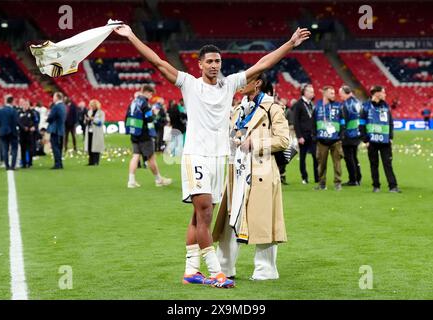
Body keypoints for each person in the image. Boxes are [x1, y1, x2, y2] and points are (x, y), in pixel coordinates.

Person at [114, 23, 310, 288]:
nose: (215, 65)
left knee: (199, 216)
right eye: (210, 61)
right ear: (200, 65)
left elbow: (262, 64)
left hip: (221, 160)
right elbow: (158, 62)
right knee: (205, 211)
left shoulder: (229, 85)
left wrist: (290, 44)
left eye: (218, 61)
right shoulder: (189, 84)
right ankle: (216, 272)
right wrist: (131, 36)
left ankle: (191, 270)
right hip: (196, 156)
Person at [213, 73, 289, 280]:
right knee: (230, 215)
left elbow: (283, 140)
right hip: (235, 168)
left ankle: (266, 269)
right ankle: (224, 266)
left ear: (257, 84)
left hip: (261, 169)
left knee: (262, 218)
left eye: (245, 80)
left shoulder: (273, 108)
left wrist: (256, 144)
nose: (239, 84)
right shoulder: (237, 110)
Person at [125, 85, 172, 188]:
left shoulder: (133, 102)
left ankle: (131, 181)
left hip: (134, 133)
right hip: (144, 134)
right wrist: (154, 115)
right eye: (151, 94)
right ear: (146, 92)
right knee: (151, 157)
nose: (151, 96)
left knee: (135, 156)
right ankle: (158, 180)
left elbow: (127, 116)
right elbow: (149, 119)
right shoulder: (145, 103)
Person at [361, 86, 401, 193]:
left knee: (388, 164)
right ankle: (376, 186)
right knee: (374, 164)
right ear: (377, 93)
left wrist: (391, 137)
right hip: (372, 141)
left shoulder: (386, 106)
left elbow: (390, 123)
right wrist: (366, 140)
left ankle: (393, 186)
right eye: (383, 92)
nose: (385, 94)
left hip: (385, 141)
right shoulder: (365, 106)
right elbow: (361, 124)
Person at [313, 86, 345, 191]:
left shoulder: (338, 106)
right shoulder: (317, 106)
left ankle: (338, 183)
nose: (333, 95)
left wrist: (341, 135)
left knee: (337, 163)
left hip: (335, 140)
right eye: (331, 93)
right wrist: (315, 136)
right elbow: (313, 122)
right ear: (325, 94)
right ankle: (322, 184)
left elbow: (342, 121)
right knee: (321, 164)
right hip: (322, 140)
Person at [292, 83, 318, 185]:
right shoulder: (298, 104)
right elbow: (296, 121)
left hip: (312, 135)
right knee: (302, 158)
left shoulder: (312, 104)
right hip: (303, 135)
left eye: (313, 91)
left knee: (316, 157)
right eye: (311, 91)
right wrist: (299, 136)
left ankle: (317, 178)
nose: (313, 93)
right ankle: (304, 177)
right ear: (305, 92)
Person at [339, 85, 362, 186]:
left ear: (345, 93)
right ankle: (358, 177)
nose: (340, 97)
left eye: (341, 94)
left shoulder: (346, 105)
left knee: (349, 158)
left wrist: (341, 134)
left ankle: (353, 179)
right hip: (357, 133)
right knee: (354, 156)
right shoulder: (358, 102)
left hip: (348, 134)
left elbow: (344, 120)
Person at [0, 95, 19, 170]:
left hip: (3, 132)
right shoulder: (13, 110)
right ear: (12, 101)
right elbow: (16, 121)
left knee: (5, 149)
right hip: (12, 132)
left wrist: (2, 127)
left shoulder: (0, 110)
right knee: (14, 149)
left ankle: (6, 166)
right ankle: (12, 166)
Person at [47, 92, 66, 169]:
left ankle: (57, 164)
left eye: (54, 97)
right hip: (61, 129)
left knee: (55, 147)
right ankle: (60, 163)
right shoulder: (63, 106)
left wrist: (47, 119)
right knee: (59, 147)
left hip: (55, 129)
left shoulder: (56, 106)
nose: (53, 98)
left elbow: (51, 117)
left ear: (57, 97)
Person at [84, 99, 105, 166]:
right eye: (91, 105)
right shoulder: (89, 112)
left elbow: (101, 122)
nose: (92, 107)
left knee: (96, 147)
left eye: (93, 105)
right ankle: (90, 161)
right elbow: (85, 122)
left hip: (97, 132)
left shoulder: (101, 113)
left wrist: (93, 119)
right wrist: (86, 120)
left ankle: (96, 161)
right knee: (90, 146)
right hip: (90, 131)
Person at [17, 99, 37, 168]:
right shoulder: (19, 112)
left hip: (30, 133)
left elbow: (35, 121)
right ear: (22, 105)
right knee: (23, 148)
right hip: (22, 133)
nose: (26, 106)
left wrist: (34, 127)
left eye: (27, 105)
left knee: (30, 148)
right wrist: (23, 127)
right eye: (24, 104)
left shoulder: (32, 113)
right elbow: (18, 122)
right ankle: (24, 163)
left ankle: (30, 163)